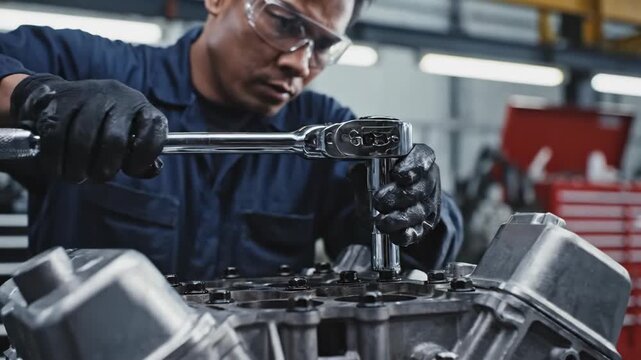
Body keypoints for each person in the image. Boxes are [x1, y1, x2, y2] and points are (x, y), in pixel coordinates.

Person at [0, 0, 462, 279]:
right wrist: (38, 97)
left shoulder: (327, 132)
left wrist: (417, 205)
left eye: (323, 47)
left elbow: (420, 243)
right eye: (286, 24)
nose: (301, 65)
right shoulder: (96, 67)